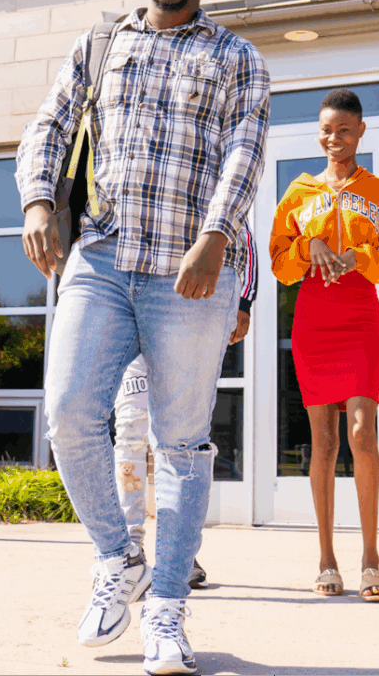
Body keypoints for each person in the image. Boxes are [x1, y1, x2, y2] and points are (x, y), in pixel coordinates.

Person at [17, 0, 270, 676]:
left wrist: (216, 235)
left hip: (190, 272)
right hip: (101, 258)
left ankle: (166, 607)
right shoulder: (101, 44)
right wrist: (35, 199)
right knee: (67, 414)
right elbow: (49, 126)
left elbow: (245, 149)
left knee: (182, 445)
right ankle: (115, 555)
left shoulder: (237, 56)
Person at [269, 88, 379, 603]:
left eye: (344, 130)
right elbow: (279, 262)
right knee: (323, 440)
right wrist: (313, 246)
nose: (334, 139)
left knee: (361, 432)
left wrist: (359, 258)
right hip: (314, 319)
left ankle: (371, 559)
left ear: (360, 132)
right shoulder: (299, 192)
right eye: (327, 130)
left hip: (359, 317)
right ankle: (326, 558)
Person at [110, 224, 258, 590]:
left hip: (184, 321)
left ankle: (178, 552)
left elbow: (246, 241)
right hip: (130, 315)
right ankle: (129, 549)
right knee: (129, 431)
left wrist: (243, 303)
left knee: (178, 440)